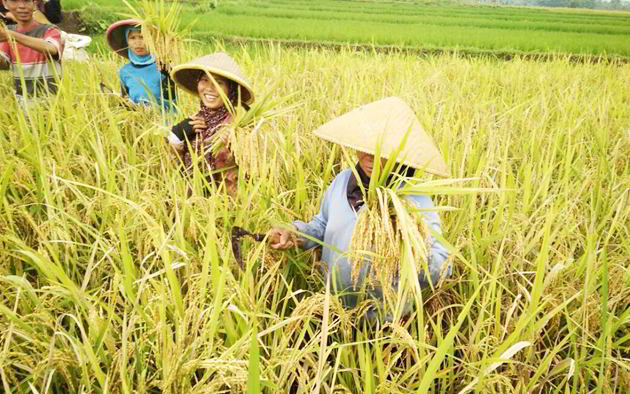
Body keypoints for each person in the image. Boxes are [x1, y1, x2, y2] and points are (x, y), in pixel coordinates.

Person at [268, 97, 451, 321]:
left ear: (399, 153)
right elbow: (322, 225)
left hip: (384, 323)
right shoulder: (343, 180)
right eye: (364, 146)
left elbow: (442, 267)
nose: (368, 156)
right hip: (332, 311)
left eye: (380, 149)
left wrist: (407, 242)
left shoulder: (413, 198)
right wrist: (295, 234)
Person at [167, 52, 254, 195]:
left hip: (226, 206)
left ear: (230, 89)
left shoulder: (239, 124)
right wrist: (176, 136)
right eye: (205, 80)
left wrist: (232, 143)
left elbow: (249, 171)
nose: (209, 88)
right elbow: (176, 167)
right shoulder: (197, 119)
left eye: (219, 82)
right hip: (192, 202)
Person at [105, 19, 177, 111]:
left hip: (162, 121)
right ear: (127, 41)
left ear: (153, 40)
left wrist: (168, 75)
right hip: (138, 120)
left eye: (142, 37)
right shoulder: (124, 71)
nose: (137, 42)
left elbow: (173, 102)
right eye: (132, 38)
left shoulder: (163, 67)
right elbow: (125, 99)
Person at [0, 0, 64, 99]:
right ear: (5, 4)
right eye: (14, 1)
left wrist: (12, 36)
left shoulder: (50, 30)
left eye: (26, 1)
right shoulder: (7, 33)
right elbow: (3, 64)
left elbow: (51, 49)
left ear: (35, 3)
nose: (21, 6)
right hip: (22, 104)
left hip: (52, 102)